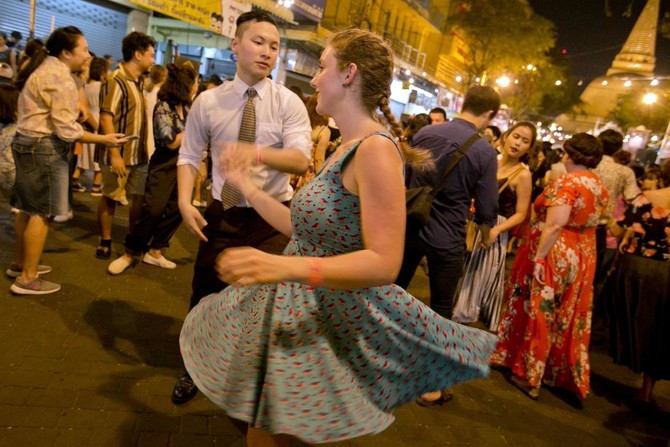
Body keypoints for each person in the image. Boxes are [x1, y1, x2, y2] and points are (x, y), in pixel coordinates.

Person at [179, 27, 496, 446]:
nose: (312, 78)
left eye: (322, 67)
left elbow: (384, 261)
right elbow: (304, 229)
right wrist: (248, 186)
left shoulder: (376, 150)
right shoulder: (348, 145)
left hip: (321, 319)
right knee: (264, 433)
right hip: (301, 313)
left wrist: (280, 264)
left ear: (348, 74)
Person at [173, 10, 313, 405]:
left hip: (271, 218)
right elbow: (188, 155)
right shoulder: (208, 101)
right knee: (205, 292)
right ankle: (193, 365)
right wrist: (185, 201)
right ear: (235, 45)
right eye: (258, 42)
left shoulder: (288, 103)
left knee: (263, 299)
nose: (267, 52)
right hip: (223, 212)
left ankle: (249, 378)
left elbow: (301, 159)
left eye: (274, 46)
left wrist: (255, 154)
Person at [7, 26, 126, 295]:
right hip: (44, 147)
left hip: (28, 143)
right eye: (83, 49)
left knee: (26, 209)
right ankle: (28, 278)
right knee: (42, 212)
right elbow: (68, 130)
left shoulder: (49, 70)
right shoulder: (59, 78)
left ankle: (20, 264)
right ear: (65, 52)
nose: (87, 54)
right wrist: (105, 139)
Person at [492, 133, 608, 401]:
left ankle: (530, 373)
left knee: (539, 310)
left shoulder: (567, 182)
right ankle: (555, 371)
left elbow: (555, 224)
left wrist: (540, 258)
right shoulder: (597, 184)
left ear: (570, 155)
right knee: (567, 313)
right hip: (583, 252)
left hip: (557, 250)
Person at [395, 85, 500, 322]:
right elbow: (487, 206)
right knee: (441, 308)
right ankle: (431, 354)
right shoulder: (485, 152)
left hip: (411, 225)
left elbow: (409, 180)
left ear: (464, 103)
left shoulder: (425, 134)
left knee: (393, 290)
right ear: (489, 114)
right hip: (448, 236)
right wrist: (486, 234)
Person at [107, 63, 198, 275]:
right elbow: (170, 141)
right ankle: (131, 252)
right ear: (185, 85)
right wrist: (194, 131)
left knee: (178, 208)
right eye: (194, 82)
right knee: (153, 208)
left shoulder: (188, 107)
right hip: (165, 163)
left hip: (186, 162)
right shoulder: (163, 106)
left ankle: (156, 250)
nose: (196, 86)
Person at [452, 121, 535, 330]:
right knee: (456, 278)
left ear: (529, 148)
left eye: (525, 141)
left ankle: (464, 338)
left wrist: (496, 230)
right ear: (506, 136)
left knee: (477, 286)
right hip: (470, 224)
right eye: (516, 136)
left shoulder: (523, 175)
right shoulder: (491, 160)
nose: (518, 143)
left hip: (494, 230)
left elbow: (521, 214)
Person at [609, 159, 670, 406]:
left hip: (640, 269)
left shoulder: (647, 198)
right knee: (662, 329)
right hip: (667, 272)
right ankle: (647, 388)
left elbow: (617, 230)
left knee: (640, 322)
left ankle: (637, 369)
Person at [95, 32, 156, 259]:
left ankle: (132, 240)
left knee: (138, 200)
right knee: (110, 197)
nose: (153, 60)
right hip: (119, 154)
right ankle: (105, 240)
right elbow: (105, 117)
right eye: (151, 55)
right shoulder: (116, 80)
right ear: (138, 55)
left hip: (139, 155)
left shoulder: (139, 81)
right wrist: (114, 154)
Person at [592, 129, 640, 310]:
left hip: (572, 227)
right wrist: (617, 223)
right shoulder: (624, 172)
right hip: (601, 230)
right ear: (619, 148)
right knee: (595, 277)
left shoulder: (586, 165)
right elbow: (636, 202)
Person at [291, 93, 330, 190]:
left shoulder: (300, 124)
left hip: (292, 167)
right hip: (307, 173)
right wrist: (321, 180)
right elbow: (319, 159)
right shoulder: (323, 131)